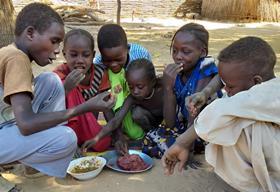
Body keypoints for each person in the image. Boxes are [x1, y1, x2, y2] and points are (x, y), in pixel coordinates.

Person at [0, 3, 114, 186]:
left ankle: (30, 163)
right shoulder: (16, 58)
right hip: (6, 130)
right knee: (66, 137)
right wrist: (86, 107)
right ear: (30, 33)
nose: (56, 50)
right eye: (54, 41)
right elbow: (27, 124)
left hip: (5, 124)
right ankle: (25, 163)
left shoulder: (13, 54)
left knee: (51, 82)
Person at [162, 36, 280, 192]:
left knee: (237, 126)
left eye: (229, 87)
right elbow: (224, 79)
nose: (226, 90)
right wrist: (206, 93)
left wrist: (182, 142)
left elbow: (220, 110)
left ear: (256, 82)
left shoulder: (270, 94)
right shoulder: (254, 86)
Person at [162, 23, 221, 157]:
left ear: (203, 52)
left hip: (204, 129)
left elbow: (193, 113)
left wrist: (187, 147)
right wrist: (167, 87)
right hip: (185, 126)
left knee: (168, 145)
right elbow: (170, 123)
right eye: (175, 50)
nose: (178, 56)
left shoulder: (205, 67)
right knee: (155, 137)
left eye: (186, 51)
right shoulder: (177, 73)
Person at [82, 58, 163, 155]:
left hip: (166, 124)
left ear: (152, 82)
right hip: (151, 125)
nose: (135, 91)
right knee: (137, 113)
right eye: (131, 87)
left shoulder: (162, 90)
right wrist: (97, 138)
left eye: (140, 87)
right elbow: (116, 120)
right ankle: (150, 135)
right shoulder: (132, 98)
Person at [92, 24, 152, 151]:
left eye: (119, 59)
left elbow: (149, 85)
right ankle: (119, 130)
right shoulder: (98, 64)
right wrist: (117, 134)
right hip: (117, 102)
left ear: (127, 49)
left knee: (138, 114)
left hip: (140, 101)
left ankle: (148, 134)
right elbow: (103, 99)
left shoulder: (141, 55)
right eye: (107, 60)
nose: (113, 64)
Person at [53, 29, 112, 152]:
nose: (80, 60)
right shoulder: (59, 75)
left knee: (103, 143)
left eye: (86, 55)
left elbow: (107, 108)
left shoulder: (100, 74)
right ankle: (71, 144)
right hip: (65, 127)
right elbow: (50, 107)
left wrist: (117, 134)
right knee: (67, 85)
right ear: (64, 54)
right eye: (73, 55)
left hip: (88, 128)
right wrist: (66, 88)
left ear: (93, 55)